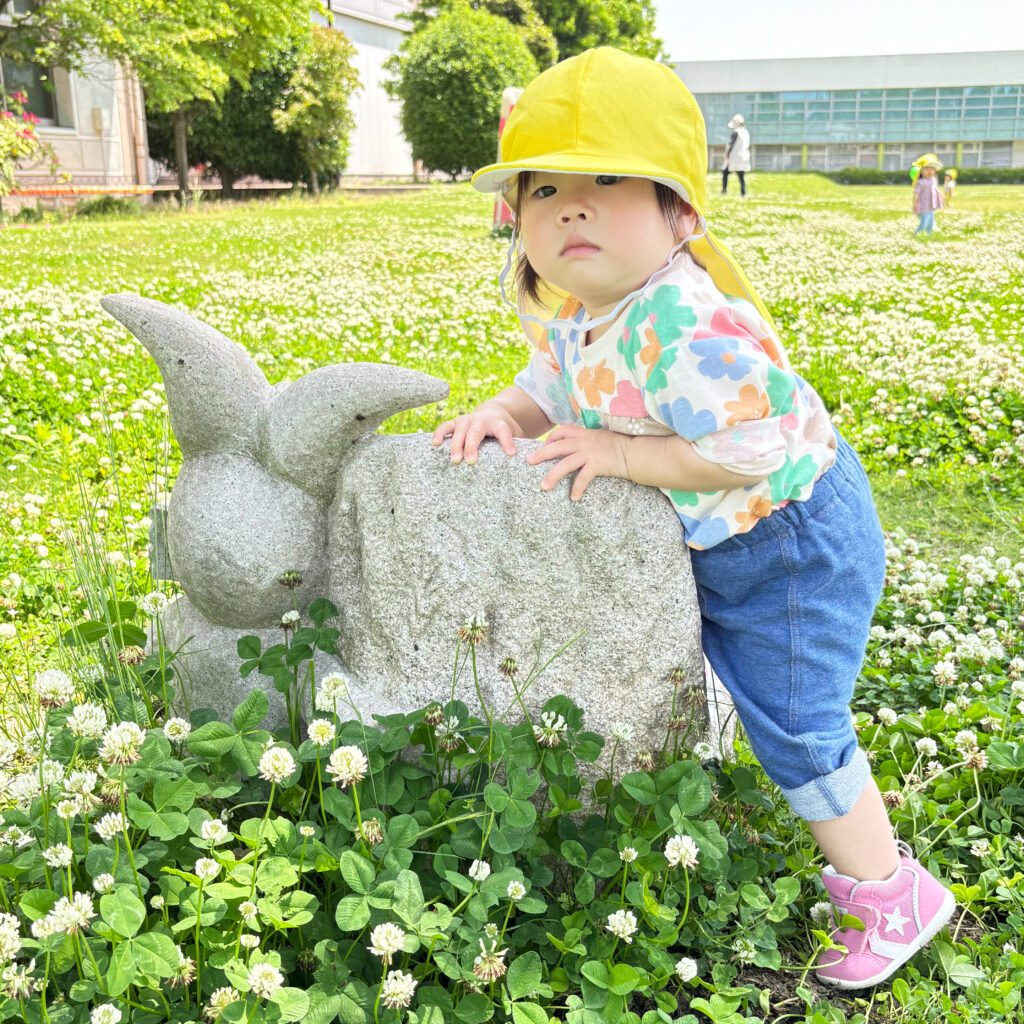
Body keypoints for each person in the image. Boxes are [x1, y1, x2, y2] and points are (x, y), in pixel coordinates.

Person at [432, 47, 955, 989]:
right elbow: (546, 386)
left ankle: (891, 892)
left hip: (790, 541)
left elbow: (751, 447)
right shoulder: (585, 314)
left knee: (798, 723)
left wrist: (621, 454)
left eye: (608, 182)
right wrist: (501, 415)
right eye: (545, 189)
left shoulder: (681, 319)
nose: (572, 207)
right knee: (750, 688)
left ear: (680, 212)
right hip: (736, 536)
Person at [722, 113, 751, 196]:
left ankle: (724, 190)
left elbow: (730, 145)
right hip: (743, 156)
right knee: (741, 175)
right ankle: (743, 192)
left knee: (725, 172)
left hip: (734, 156)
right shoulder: (746, 132)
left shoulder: (736, 132)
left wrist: (727, 155)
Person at [913, 158, 944, 235]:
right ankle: (916, 235)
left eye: (932, 169)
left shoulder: (934, 179)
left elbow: (934, 188)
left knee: (931, 223)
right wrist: (915, 204)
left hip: (931, 206)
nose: (930, 171)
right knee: (924, 223)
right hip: (923, 206)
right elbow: (916, 194)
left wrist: (939, 192)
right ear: (921, 171)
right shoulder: (920, 182)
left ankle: (929, 236)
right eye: (927, 169)